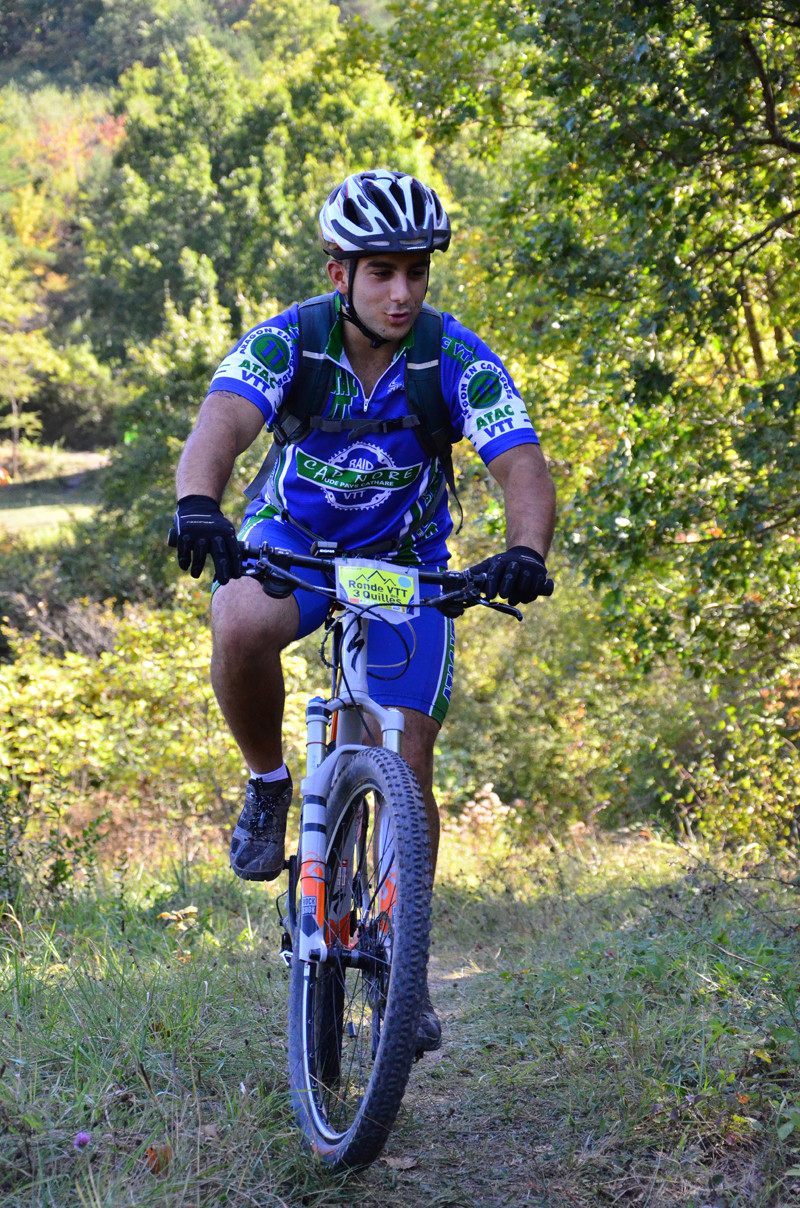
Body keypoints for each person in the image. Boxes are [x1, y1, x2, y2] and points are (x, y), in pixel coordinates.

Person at [170, 169, 556, 1051]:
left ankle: (402, 967)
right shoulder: (289, 344)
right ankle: (269, 785)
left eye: (416, 272)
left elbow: (521, 463)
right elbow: (220, 425)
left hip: (405, 566)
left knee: (406, 767)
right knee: (239, 622)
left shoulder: (455, 358)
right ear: (339, 273)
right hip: (295, 546)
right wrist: (198, 504)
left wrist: (527, 550)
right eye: (382, 272)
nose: (402, 293)